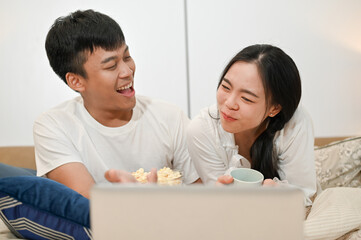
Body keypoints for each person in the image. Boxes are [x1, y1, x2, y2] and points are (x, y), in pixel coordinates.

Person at [34, 9, 200, 199]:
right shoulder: (54, 126)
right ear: (76, 81)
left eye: (127, 57)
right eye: (111, 66)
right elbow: (85, 203)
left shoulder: (170, 117)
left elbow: (202, 194)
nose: (127, 71)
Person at [186, 44, 316, 205]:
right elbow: (221, 199)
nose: (229, 103)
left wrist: (280, 197)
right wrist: (220, 192)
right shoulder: (202, 130)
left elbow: (304, 195)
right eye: (226, 87)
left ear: (274, 108)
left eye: (246, 98)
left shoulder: (296, 123)